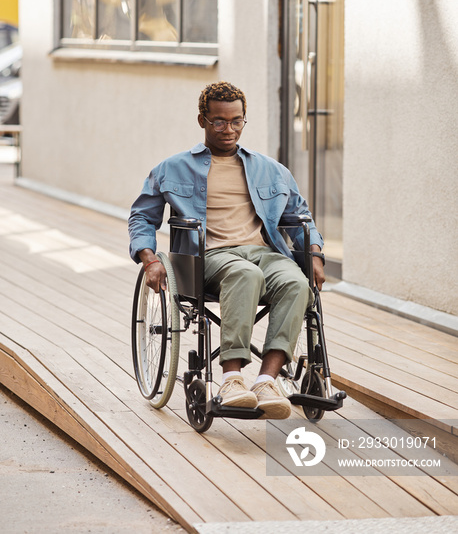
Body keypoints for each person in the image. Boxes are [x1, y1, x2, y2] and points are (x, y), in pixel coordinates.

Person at [129, 81, 325, 419]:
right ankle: (232, 379)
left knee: (296, 282)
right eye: (219, 121)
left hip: (264, 253)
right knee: (244, 274)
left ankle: (266, 380)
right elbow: (142, 216)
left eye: (236, 121)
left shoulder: (271, 169)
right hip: (208, 257)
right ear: (202, 120)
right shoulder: (173, 168)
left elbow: (299, 218)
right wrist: (148, 260)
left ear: (244, 119)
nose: (228, 129)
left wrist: (316, 254)